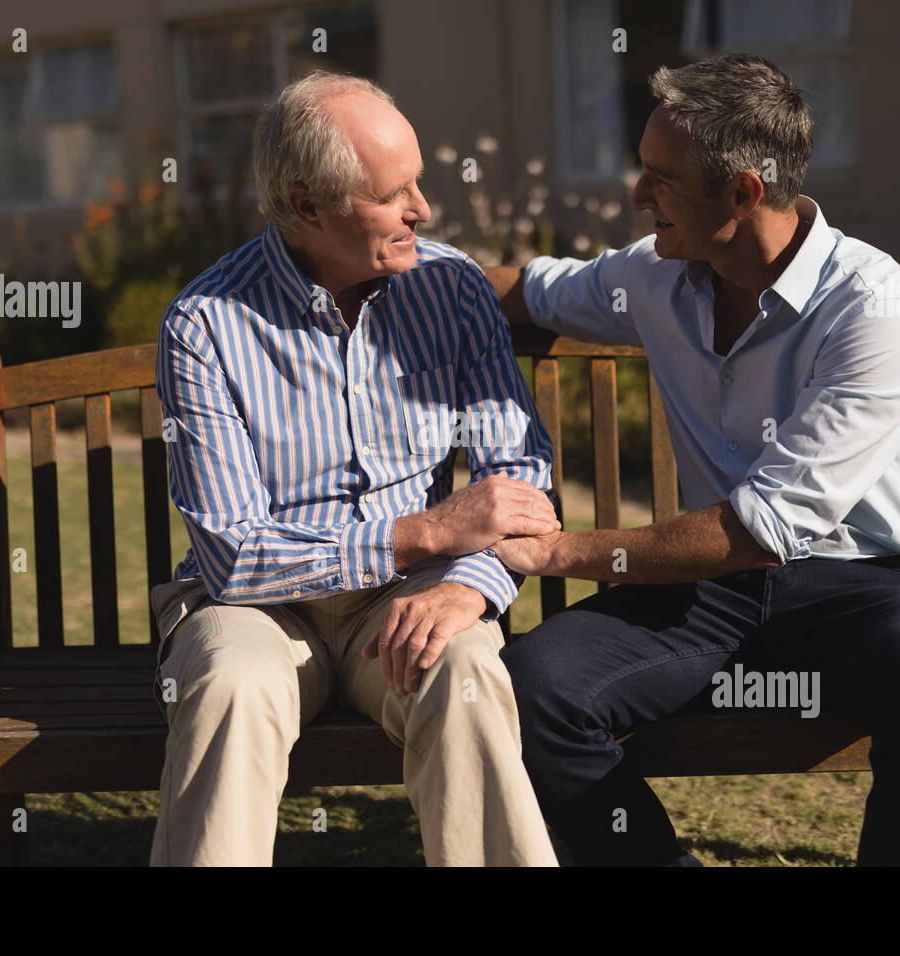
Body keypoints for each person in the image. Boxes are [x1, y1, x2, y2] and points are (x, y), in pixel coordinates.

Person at [486, 53, 900, 867]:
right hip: (712, 595)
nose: (635, 197)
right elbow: (526, 289)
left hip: (868, 591)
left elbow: (768, 525)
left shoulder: (874, 307)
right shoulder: (654, 277)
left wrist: (562, 551)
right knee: (528, 688)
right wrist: (381, 269)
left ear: (744, 192)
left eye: (659, 178)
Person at [151, 70, 560, 866]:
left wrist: (466, 583)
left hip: (409, 598)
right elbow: (235, 555)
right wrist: (429, 531)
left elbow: (520, 474)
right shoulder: (204, 325)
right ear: (308, 206)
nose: (424, 210)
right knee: (229, 686)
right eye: (394, 192)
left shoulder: (452, 290)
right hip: (262, 610)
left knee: (466, 671)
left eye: (420, 183)